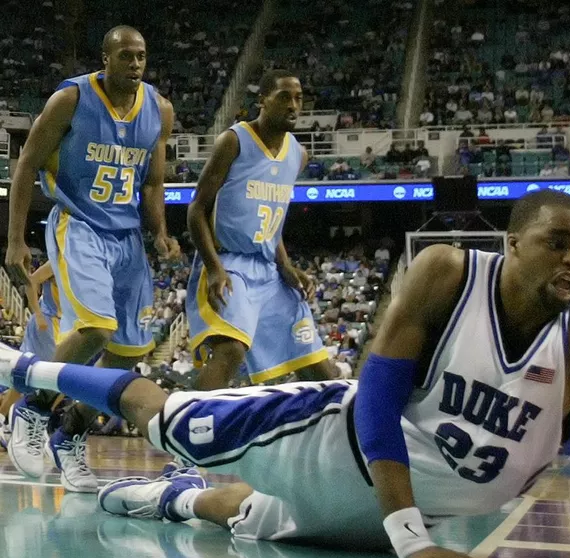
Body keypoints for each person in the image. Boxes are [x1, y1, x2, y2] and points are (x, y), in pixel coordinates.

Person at [0, 191, 570, 558]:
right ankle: (18, 368)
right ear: (512, 243)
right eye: (558, 243)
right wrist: (412, 539)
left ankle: (155, 498)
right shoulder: (449, 268)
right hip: (332, 446)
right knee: (167, 414)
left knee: (246, 517)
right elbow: (377, 400)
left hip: (409, 500)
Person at [3, 25, 180, 492]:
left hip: (128, 238)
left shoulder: (159, 110)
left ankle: (71, 434)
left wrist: (160, 230)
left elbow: (152, 183)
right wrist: (16, 238)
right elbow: (27, 163)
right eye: (125, 55)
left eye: (141, 55)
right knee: (96, 328)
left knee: (127, 353)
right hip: (79, 225)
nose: (135, 64)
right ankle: (34, 407)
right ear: (105, 58)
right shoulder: (72, 100)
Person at [186, 70, 336, 391]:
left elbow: (271, 222)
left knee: (317, 367)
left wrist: (286, 265)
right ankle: (178, 430)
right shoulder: (234, 140)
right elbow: (196, 209)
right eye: (284, 97)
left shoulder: (298, 154)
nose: (293, 105)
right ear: (262, 101)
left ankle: (350, 437)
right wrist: (214, 268)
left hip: (268, 270)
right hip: (229, 263)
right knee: (230, 351)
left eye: (298, 98)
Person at [0, 261, 59, 447]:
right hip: (47, 323)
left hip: (68, 325)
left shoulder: (88, 262)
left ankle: (33, 422)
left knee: (55, 382)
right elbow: (32, 281)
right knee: (31, 375)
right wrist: (39, 314)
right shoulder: (59, 259)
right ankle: (5, 419)